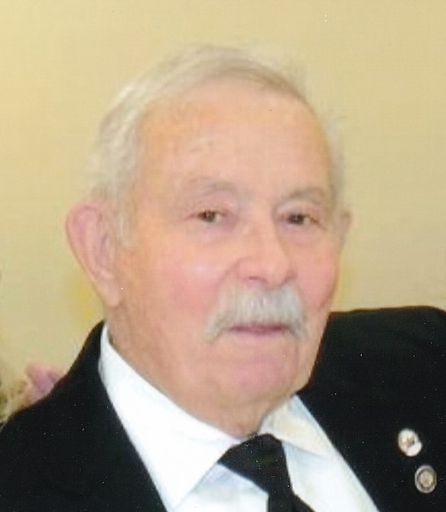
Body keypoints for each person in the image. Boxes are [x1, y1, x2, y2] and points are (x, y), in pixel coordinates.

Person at [0, 46, 444, 511]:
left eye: (299, 218)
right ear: (103, 250)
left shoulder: (426, 367)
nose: (272, 265)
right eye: (212, 216)